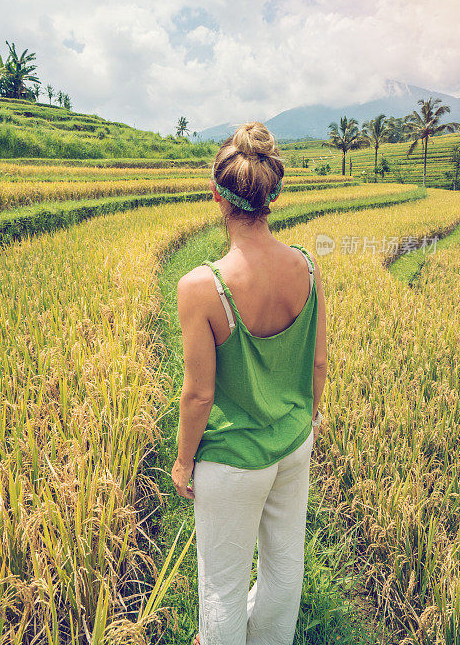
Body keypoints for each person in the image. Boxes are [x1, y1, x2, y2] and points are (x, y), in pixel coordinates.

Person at [171, 121, 327, 645]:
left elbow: (198, 394)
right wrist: (308, 422)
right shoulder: (307, 267)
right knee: (285, 566)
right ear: (274, 196)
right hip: (292, 442)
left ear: (218, 195)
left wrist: (182, 459)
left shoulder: (202, 287)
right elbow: (318, 365)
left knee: (222, 587)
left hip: (233, 459)